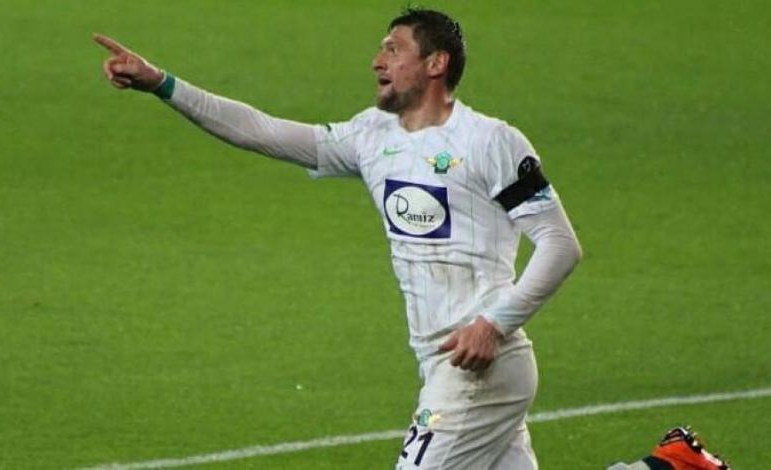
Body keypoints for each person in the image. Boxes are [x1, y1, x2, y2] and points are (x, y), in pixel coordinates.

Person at [95, 7, 582, 469]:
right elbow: (261, 130)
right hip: (445, 360)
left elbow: (560, 244)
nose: (377, 61)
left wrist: (493, 324)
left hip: (478, 365)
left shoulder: (490, 141)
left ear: (436, 63)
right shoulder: (372, 136)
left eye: (394, 49)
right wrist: (162, 84)